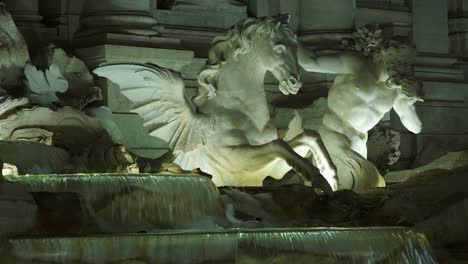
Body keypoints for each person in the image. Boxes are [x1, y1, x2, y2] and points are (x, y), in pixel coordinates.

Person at [297, 26, 423, 191]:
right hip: (332, 136)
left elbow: (415, 128)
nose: (404, 68)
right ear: (385, 54)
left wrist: (409, 101)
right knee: (362, 185)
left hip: (359, 145)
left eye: (406, 64)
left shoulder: (398, 92)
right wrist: (287, 39)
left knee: (358, 193)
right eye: (400, 61)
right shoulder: (357, 64)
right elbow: (309, 62)